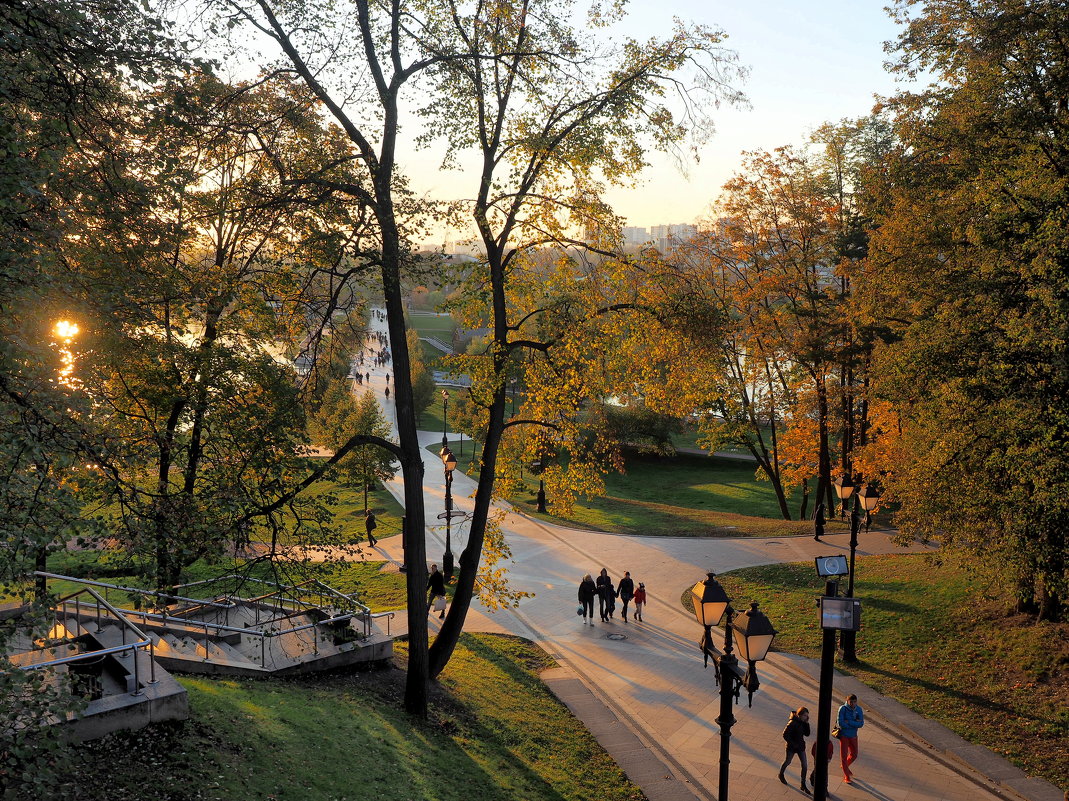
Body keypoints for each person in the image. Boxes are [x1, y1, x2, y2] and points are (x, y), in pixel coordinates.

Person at [779, 706, 811, 795]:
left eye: (807, 716)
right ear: (799, 715)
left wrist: (807, 723)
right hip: (791, 747)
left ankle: (803, 784)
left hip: (800, 747)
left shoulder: (803, 722)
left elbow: (807, 734)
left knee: (804, 765)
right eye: (805, 716)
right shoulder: (792, 722)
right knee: (788, 761)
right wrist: (793, 743)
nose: (806, 717)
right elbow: (785, 735)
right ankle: (781, 774)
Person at [837, 694, 864, 783]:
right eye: (851, 702)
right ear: (847, 701)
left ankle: (845, 766)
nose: (853, 704)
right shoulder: (843, 709)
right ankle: (846, 776)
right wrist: (854, 723)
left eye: (854, 702)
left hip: (853, 736)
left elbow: (861, 724)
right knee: (844, 756)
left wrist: (849, 722)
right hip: (844, 736)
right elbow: (841, 723)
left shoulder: (859, 710)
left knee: (854, 754)